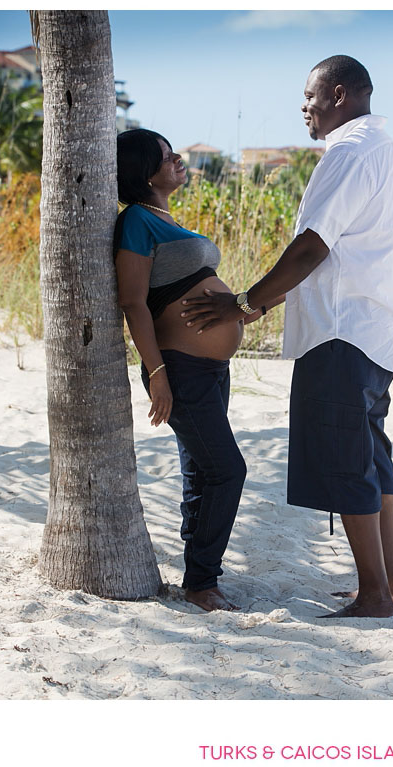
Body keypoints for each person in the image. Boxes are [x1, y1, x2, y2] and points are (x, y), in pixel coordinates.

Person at [181, 55, 393, 619]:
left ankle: (375, 596)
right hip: (375, 332)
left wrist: (244, 302)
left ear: (337, 94)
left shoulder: (349, 152)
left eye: (309, 98)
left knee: (349, 460)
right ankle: (391, 584)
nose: (303, 109)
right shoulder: (383, 150)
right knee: (373, 456)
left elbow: (313, 246)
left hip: (342, 333)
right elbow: (340, 253)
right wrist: (261, 308)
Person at [113, 129, 279, 612]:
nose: (178, 159)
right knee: (228, 470)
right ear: (144, 172)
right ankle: (203, 581)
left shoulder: (165, 219)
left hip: (210, 370)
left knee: (203, 473)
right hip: (179, 368)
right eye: (166, 157)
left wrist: (260, 306)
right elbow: (133, 302)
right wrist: (157, 372)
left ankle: (196, 571)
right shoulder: (138, 222)